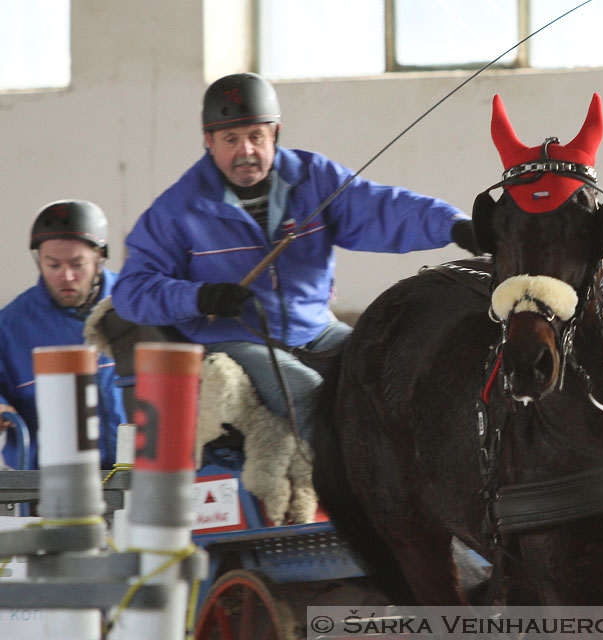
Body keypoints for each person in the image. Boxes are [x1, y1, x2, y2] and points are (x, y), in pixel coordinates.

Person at [113, 72, 478, 440]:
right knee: (306, 394)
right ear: (209, 141)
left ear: (276, 133)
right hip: (234, 339)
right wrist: (201, 296)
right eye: (230, 139)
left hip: (315, 327)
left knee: (383, 370)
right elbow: (132, 291)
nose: (246, 151)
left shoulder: (314, 178)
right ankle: (342, 491)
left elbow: (380, 208)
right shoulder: (177, 209)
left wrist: (453, 226)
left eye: (256, 136)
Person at [0, 200, 125, 470]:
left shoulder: (137, 305)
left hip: (138, 479)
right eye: (53, 265)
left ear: (99, 257)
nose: (66, 276)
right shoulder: (9, 327)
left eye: (77, 264)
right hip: (49, 488)